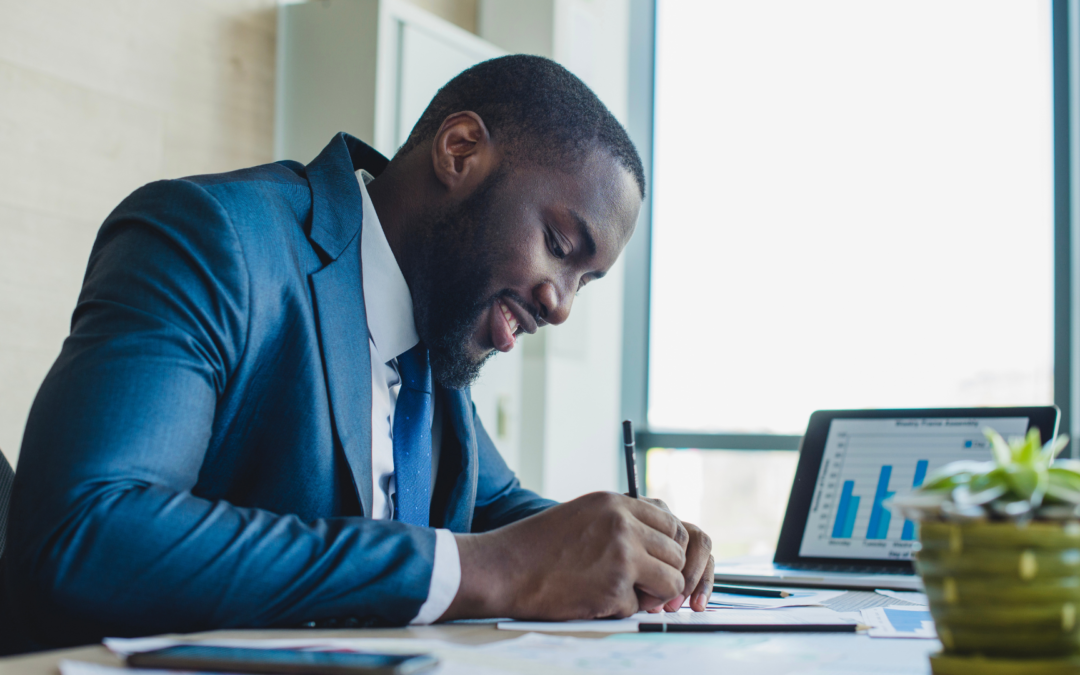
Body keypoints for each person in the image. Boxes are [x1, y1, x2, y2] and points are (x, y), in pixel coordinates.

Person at [1, 55, 713, 653]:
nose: (560, 305)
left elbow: (500, 513)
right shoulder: (214, 241)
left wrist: (634, 546)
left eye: (585, 281)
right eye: (559, 246)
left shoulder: (437, 328)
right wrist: (481, 570)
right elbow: (89, 531)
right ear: (460, 150)